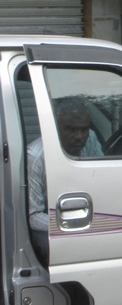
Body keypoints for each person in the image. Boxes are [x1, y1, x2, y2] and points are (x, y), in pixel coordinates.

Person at [27, 97, 104, 263]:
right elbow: (34, 216)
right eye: (71, 129)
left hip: (84, 214)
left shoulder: (90, 138)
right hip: (54, 224)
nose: (79, 136)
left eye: (84, 129)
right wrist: (74, 227)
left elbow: (102, 180)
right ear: (55, 128)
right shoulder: (36, 156)